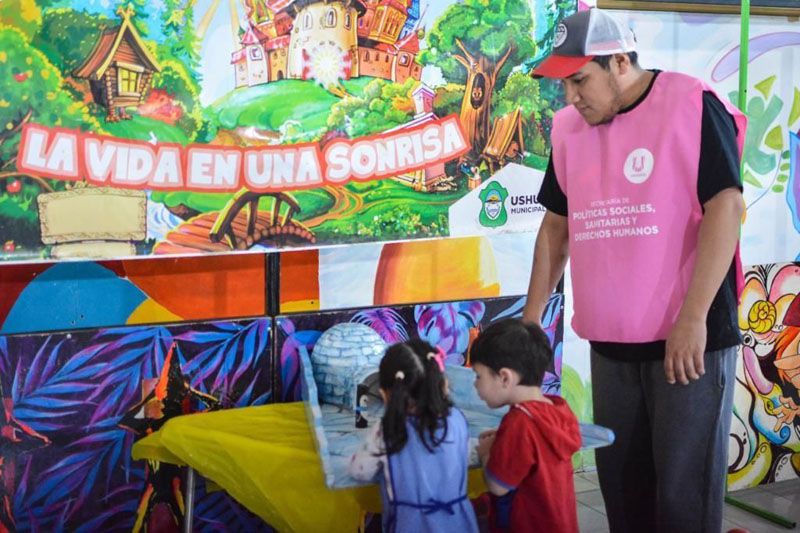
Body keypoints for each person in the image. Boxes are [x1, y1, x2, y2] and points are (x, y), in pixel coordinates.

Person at [522, 7, 747, 533]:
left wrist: (692, 317)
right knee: (624, 495)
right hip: (612, 345)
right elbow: (556, 229)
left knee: (683, 500)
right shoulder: (568, 129)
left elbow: (726, 207)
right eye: (563, 85)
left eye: (580, 80)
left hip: (688, 341)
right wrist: (530, 323)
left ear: (620, 62)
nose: (571, 97)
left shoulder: (691, 103)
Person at [348, 339, 479, 533]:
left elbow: (359, 470)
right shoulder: (457, 419)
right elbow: (465, 454)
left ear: (385, 394)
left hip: (410, 525)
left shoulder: (388, 429)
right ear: (443, 384)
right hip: (458, 523)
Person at [471, 319, 581, 533]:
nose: (475, 384)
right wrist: (503, 440)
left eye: (478, 376)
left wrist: (486, 453)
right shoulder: (558, 408)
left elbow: (498, 486)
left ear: (504, 377)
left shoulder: (519, 422)